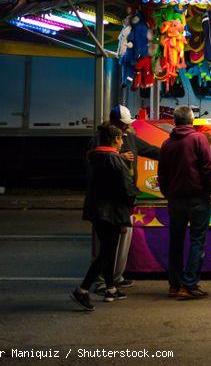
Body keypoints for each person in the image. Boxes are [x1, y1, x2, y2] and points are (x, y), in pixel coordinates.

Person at [71, 122, 137, 311]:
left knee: (107, 250)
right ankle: (83, 290)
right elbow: (127, 190)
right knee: (107, 252)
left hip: (95, 209)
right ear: (115, 139)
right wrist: (133, 199)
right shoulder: (114, 159)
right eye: (121, 140)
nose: (122, 143)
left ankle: (110, 288)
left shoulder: (94, 157)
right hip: (110, 211)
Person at [96, 105, 160, 292]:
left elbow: (150, 150)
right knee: (107, 246)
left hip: (124, 201)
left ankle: (115, 277)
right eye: (123, 125)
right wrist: (118, 156)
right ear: (114, 123)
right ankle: (102, 283)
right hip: (108, 203)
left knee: (120, 244)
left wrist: (175, 153)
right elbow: (97, 166)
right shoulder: (101, 141)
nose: (127, 128)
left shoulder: (129, 136)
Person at [158, 106, 211, 301]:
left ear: (175, 122)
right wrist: (207, 190)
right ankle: (190, 284)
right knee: (197, 240)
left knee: (176, 241)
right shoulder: (198, 139)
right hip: (198, 198)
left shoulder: (166, 144)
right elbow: (207, 168)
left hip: (175, 199)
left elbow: (161, 174)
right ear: (192, 121)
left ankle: (174, 284)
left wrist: (168, 193)